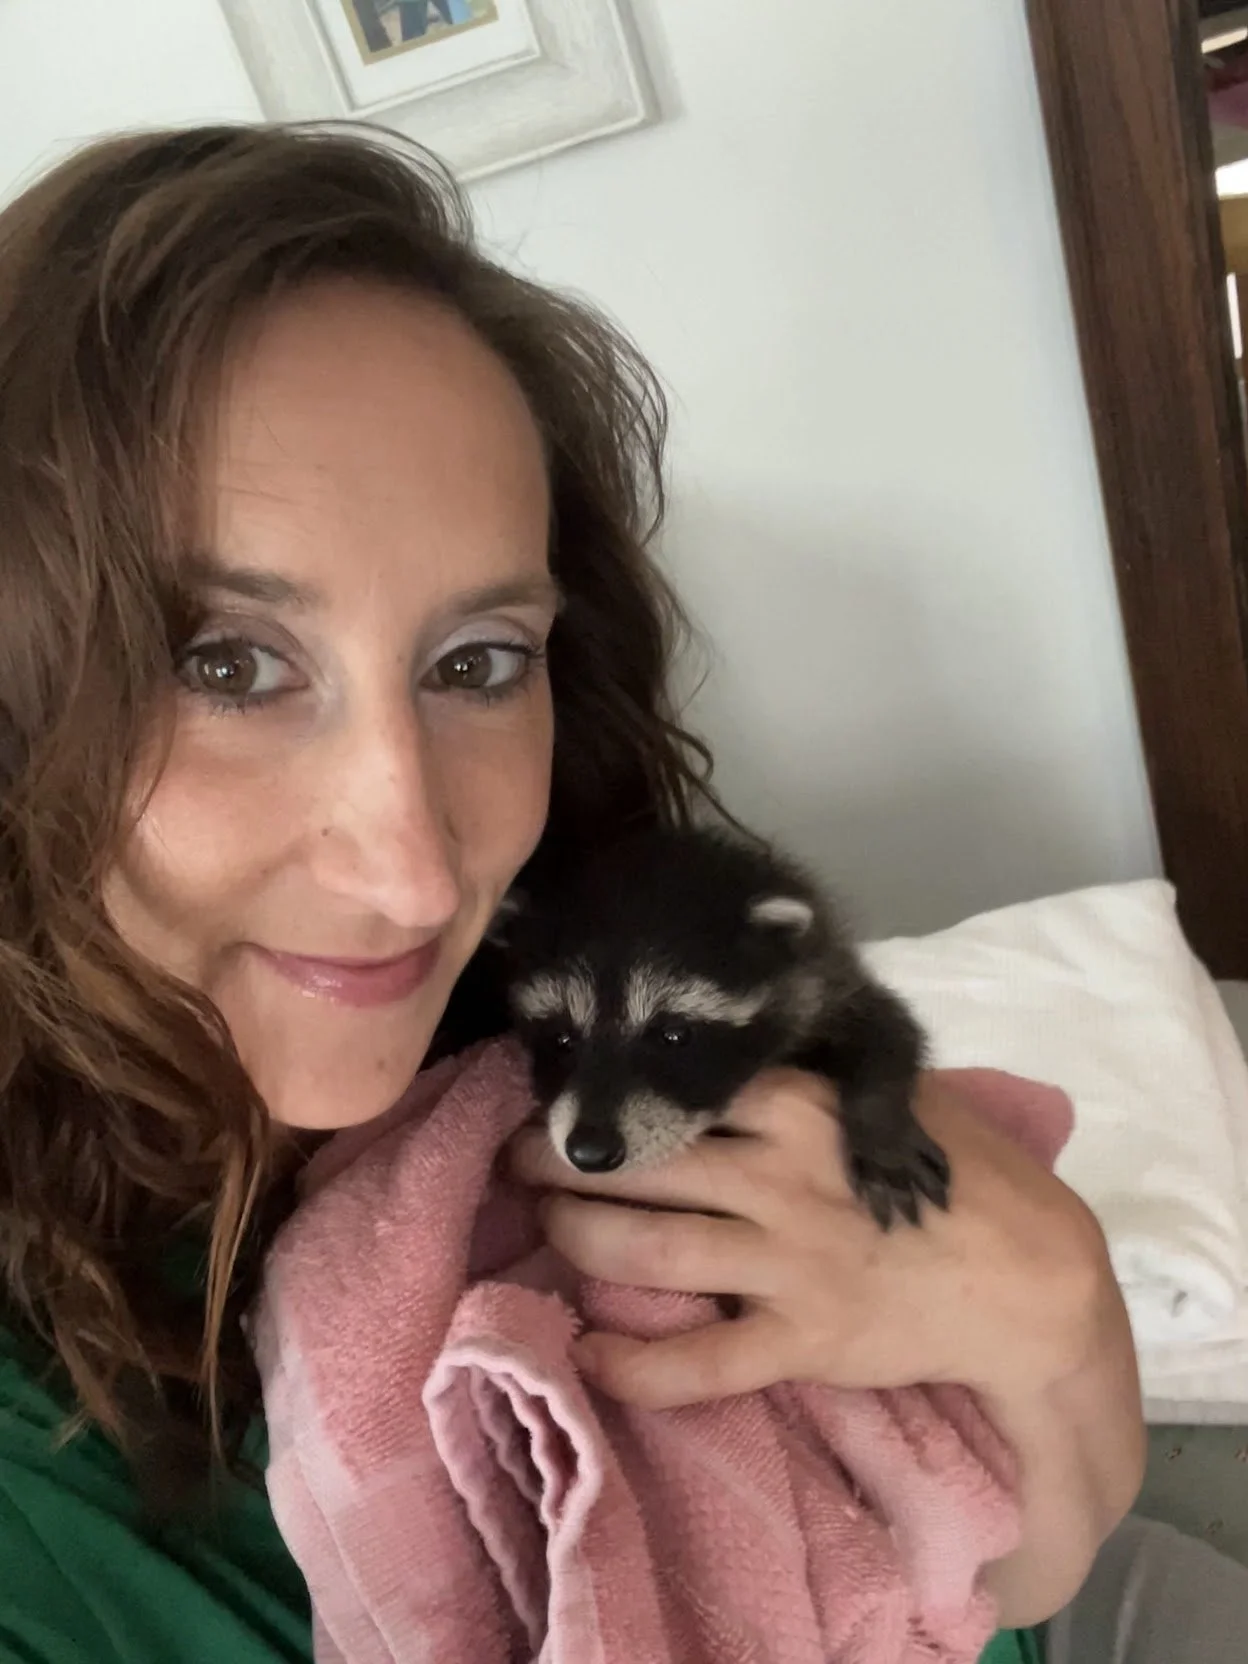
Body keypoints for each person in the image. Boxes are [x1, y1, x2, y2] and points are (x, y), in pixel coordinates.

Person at [0, 120, 1226, 1663]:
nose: (416, 866)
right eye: (224, 662)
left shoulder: (562, 1003)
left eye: (477, 663)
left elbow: (1014, 1595)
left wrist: (1060, 1329)